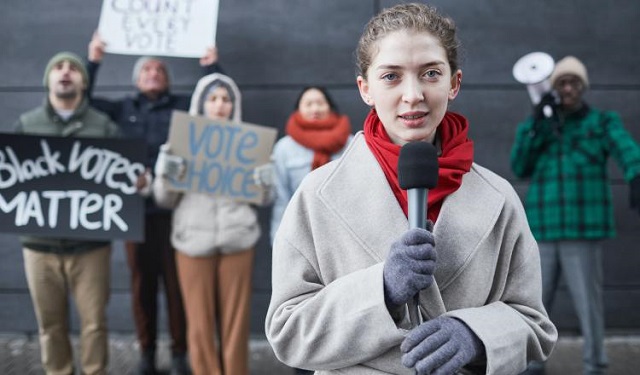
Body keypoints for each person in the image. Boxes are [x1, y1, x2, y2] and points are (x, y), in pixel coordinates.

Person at [265, 3, 557, 374]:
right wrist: (380, 290)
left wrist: (477, 335)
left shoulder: (499, 199)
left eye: (431, 73)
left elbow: (535, 323)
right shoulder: (316, 194)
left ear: (454, 83)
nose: (413, 94)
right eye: (391, 76)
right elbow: (286, 331)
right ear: (365, 89)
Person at [86, 33, 223, 375]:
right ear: (136, 79)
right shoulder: (121, 109)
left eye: (159, 68)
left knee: (177, 287)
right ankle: (146, 352)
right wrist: (94, 60)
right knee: (141, 286)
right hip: (135, 213)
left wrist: (211, 66)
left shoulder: (182, 106)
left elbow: (215, 98)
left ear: (167, 78)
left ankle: (179, 354)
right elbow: (82, 99)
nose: (153, 72)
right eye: (146, 69)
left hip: (177, 211)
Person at [511, 56, 640, 375]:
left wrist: (636, 173)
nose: (568, 88)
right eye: (562, 83)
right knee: (534, 304)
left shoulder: (601, 122)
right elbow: (519, 166)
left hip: (582, 230)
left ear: (582, 88)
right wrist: (537, 127)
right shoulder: (536, 125)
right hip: (542, 230)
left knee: (588, 306)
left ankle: (595, 364)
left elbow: (625, 148)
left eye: (574, 83)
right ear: (553, 88)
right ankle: (531, 364)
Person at [14, 51, 120, 375]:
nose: (65, 72)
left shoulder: (104, 127)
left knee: (94, 325)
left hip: (91, 247)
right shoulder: (26, 125)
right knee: (50, 326)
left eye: (73, 68)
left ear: (83, 82)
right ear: (47, 79)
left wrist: (135, 180)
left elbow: (123, 178)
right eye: (57, 67)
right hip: (38, 246)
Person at [153, 73, 261, 375]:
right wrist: (168, 173)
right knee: (198, 324)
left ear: (234, 104)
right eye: (212, 99)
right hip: (192, 242)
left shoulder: (249, 145)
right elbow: (163, 199)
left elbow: (264, 198)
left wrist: (263, 180)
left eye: (226, 99)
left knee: (236, 323)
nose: (219, 105)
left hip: (238, 239)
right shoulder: (177, 144)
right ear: (200, 104)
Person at [270, 85, 352, 244]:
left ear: (330, 107)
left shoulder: (350, 143)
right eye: (308, 104)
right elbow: (281, 199)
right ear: (298, 109)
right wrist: (279, 239)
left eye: (320, 103)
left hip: (342, 230)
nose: (315, 108)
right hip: (300, 232)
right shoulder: (284, 147)